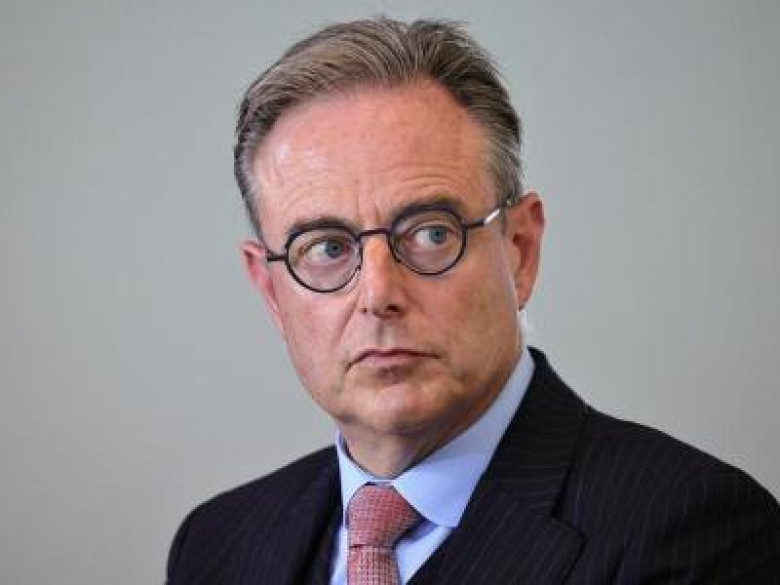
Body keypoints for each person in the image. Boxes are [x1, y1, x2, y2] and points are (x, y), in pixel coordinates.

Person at [166, 17, 780, 584]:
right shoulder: (216, 545)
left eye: (432, 233)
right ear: (271, 289)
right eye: (326, 247)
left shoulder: (693, 532)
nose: (378, 294)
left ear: (520, 250)